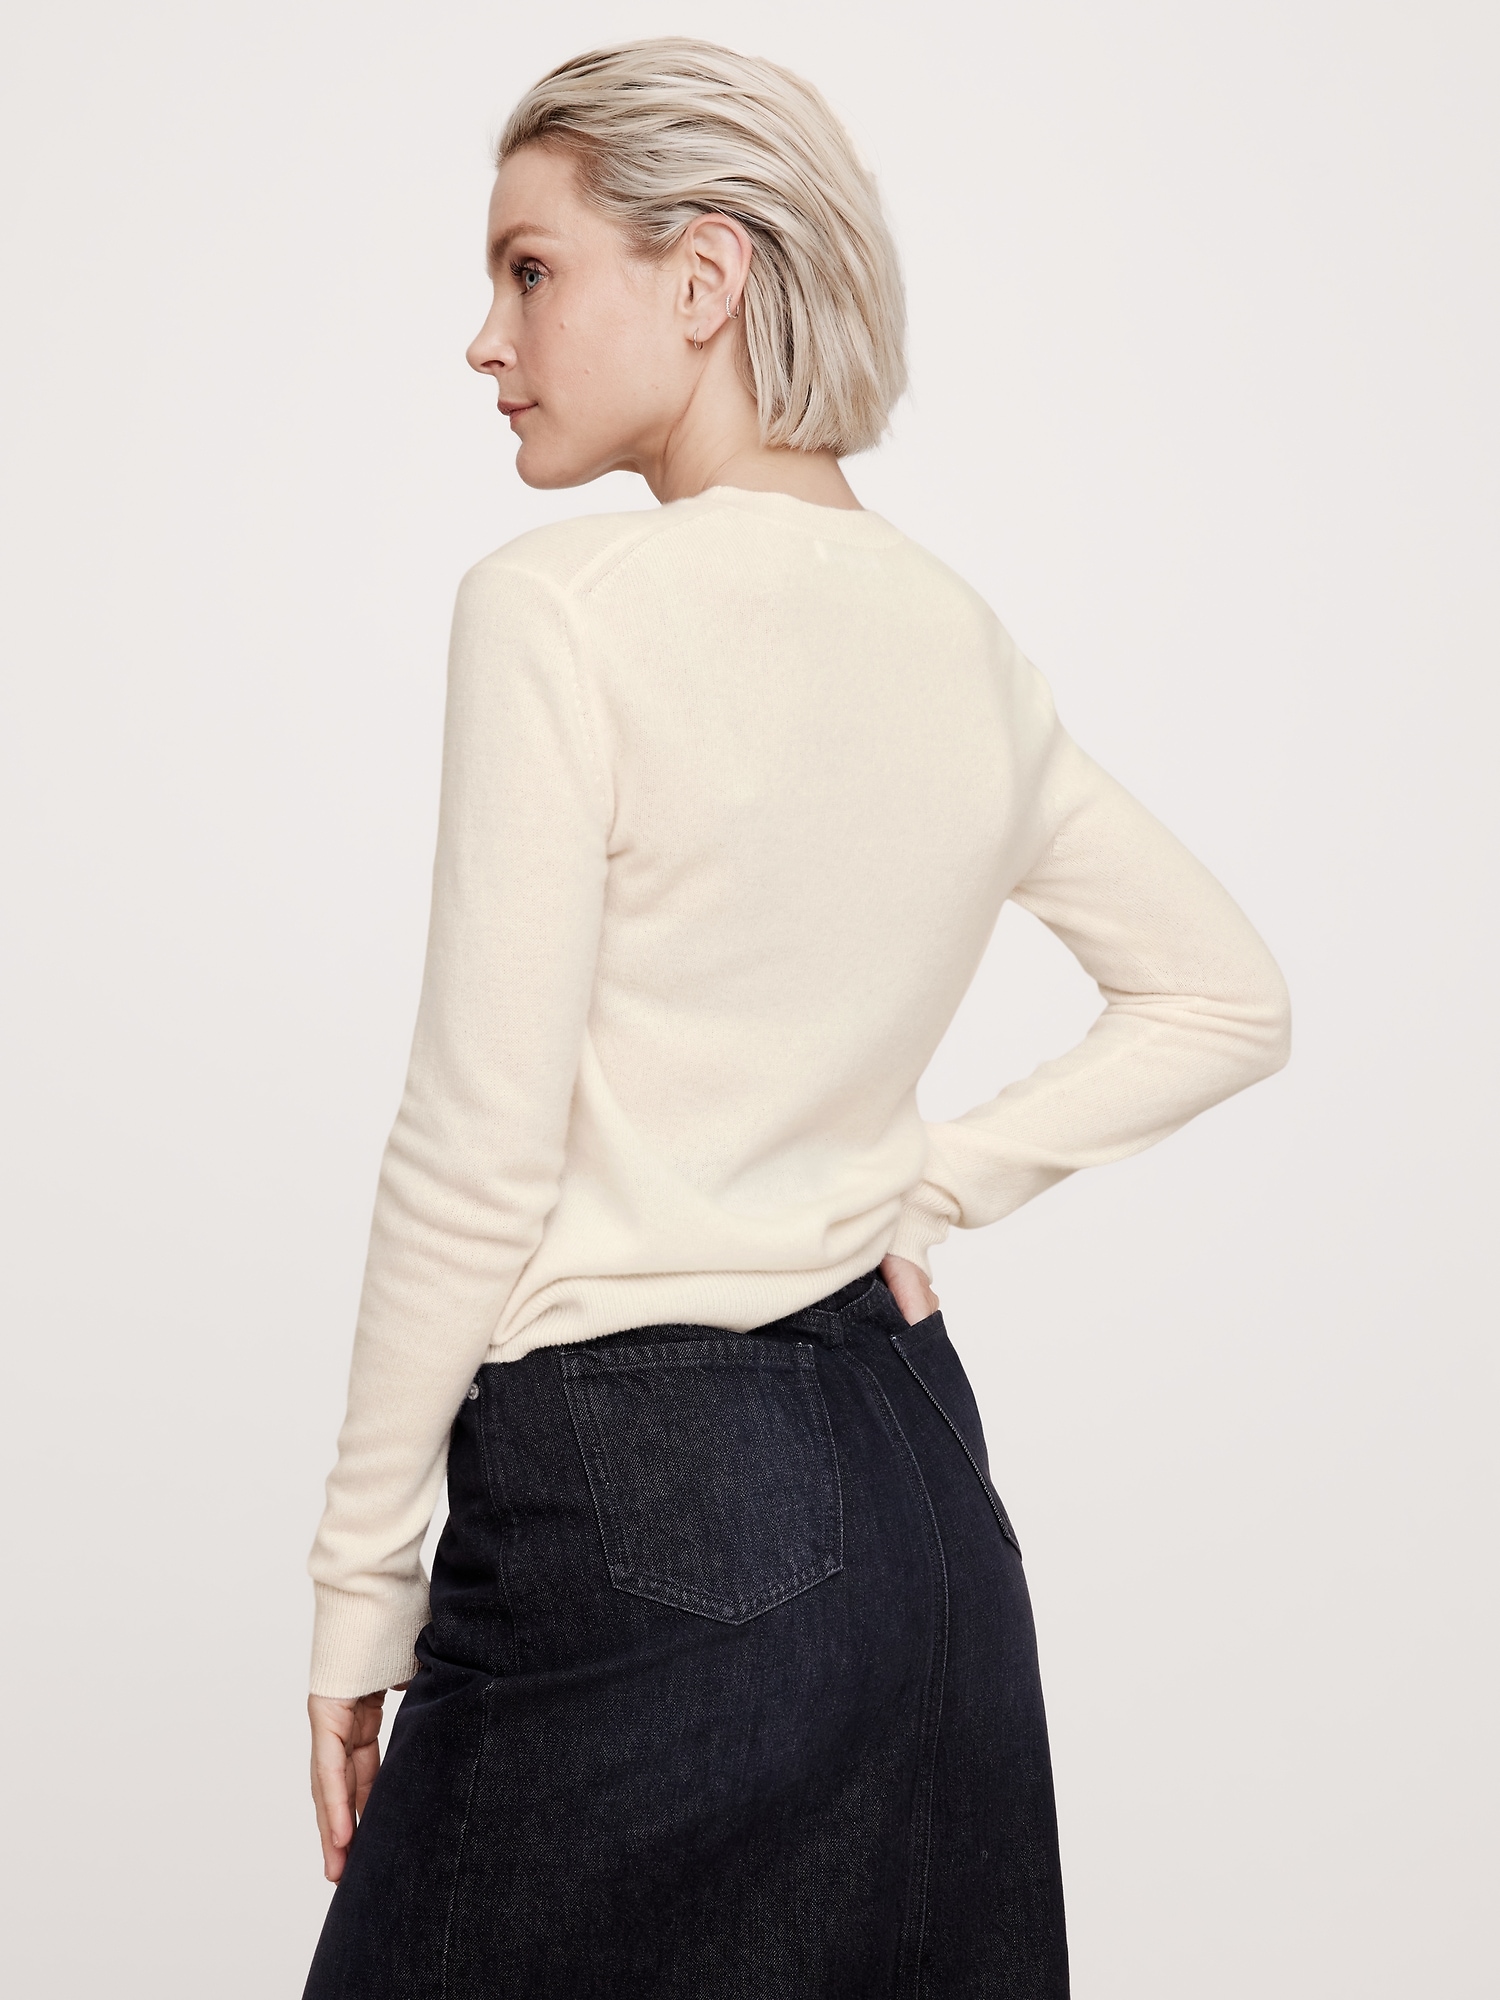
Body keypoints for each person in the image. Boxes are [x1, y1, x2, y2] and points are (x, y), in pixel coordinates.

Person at [301, 37, 1291, 2000]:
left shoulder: (559, 610)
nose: (487, 340)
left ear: (706, 277)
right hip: (922, 1505)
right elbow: (1225, 992)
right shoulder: (965, 646)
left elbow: (477, 1146)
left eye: (528, 271)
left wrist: (357, 1584)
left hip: (640, 1493)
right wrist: (929, 1181)